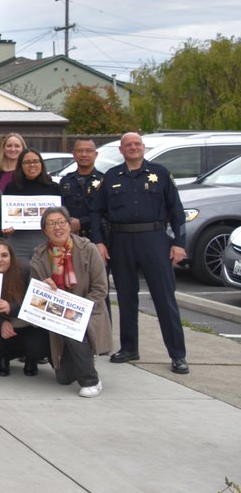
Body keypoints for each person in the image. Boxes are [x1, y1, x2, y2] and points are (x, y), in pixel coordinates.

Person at [91, 132, 189, 375]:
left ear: (143, 147)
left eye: (137, 144)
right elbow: (96, 212)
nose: (133, 147)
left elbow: (177, 211)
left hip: (154, 240)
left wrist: (179, 243)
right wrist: (99, 243)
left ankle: (177, 354)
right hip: (121, 241)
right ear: (121, 150)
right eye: (128, 145)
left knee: (164, 298)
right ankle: (129, 348)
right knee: (125, 298)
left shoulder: (160, 174)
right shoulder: (111, 176)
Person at [31, 206, 110, 396]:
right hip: (55, 315)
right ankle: (83, 355)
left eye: (61, 222)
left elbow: (100, 289)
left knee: (71, 325)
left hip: (88, 310)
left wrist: (78, 310)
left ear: (69, 225)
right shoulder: (39, 255)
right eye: (51, 224)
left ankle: (91, 380)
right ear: (44, 230)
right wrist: (43, 285)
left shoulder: (88, 249)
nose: (57, 227)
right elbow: (35, 295)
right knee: (64, 378)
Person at [0, 238, 48, 376]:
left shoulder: (26, 271)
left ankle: (31, 359)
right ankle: (2, 358)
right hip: (2, 328)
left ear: (11, 257)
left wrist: (11, 307)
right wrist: (0, 323)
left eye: (4, 255)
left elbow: (38, 303)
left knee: (41, 342)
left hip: (28, 325)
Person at [2, 148, 62, 261]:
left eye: (35, 161)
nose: (32, 165)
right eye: (27, 162)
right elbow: (7, 215)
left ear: (41, 164)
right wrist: (7, 227)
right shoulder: (11, 187)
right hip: (18, 239)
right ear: (21, 166)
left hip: (45, 238)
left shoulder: (53, 187)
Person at [60, 137, 103, 237]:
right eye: (80, 151)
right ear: (74, 154)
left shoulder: (104, 181)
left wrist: (81, 223)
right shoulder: (65, 181)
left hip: (96, 236)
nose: (84, 154)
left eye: (88, 151)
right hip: (70, 236)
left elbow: (108, 213)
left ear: (96, 154)